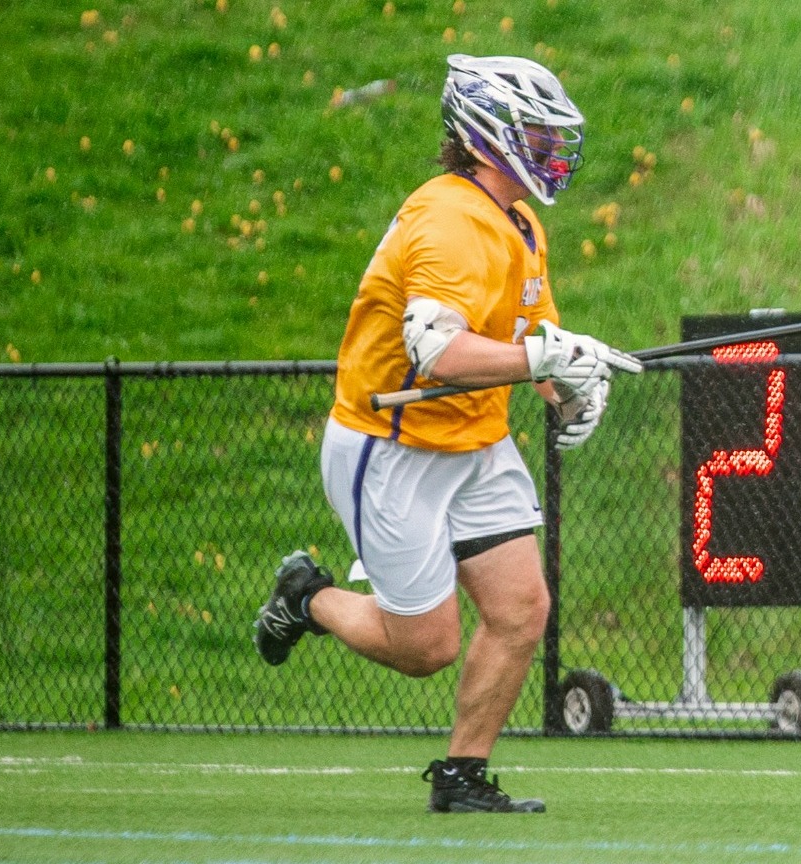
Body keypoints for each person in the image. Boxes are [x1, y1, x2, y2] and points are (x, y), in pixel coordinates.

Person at [251, 54, 640, 814]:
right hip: (392, 446)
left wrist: (567, 389)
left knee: (521, 609)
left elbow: (533, 341)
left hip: (475, 441)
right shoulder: (448, 218)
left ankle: (462, 776)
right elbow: (437, 352)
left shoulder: (521, 222)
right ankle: (307, 596)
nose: (553, 149)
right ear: (490, 133)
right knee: (425, 648)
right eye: (538, 132)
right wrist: (541, 361)